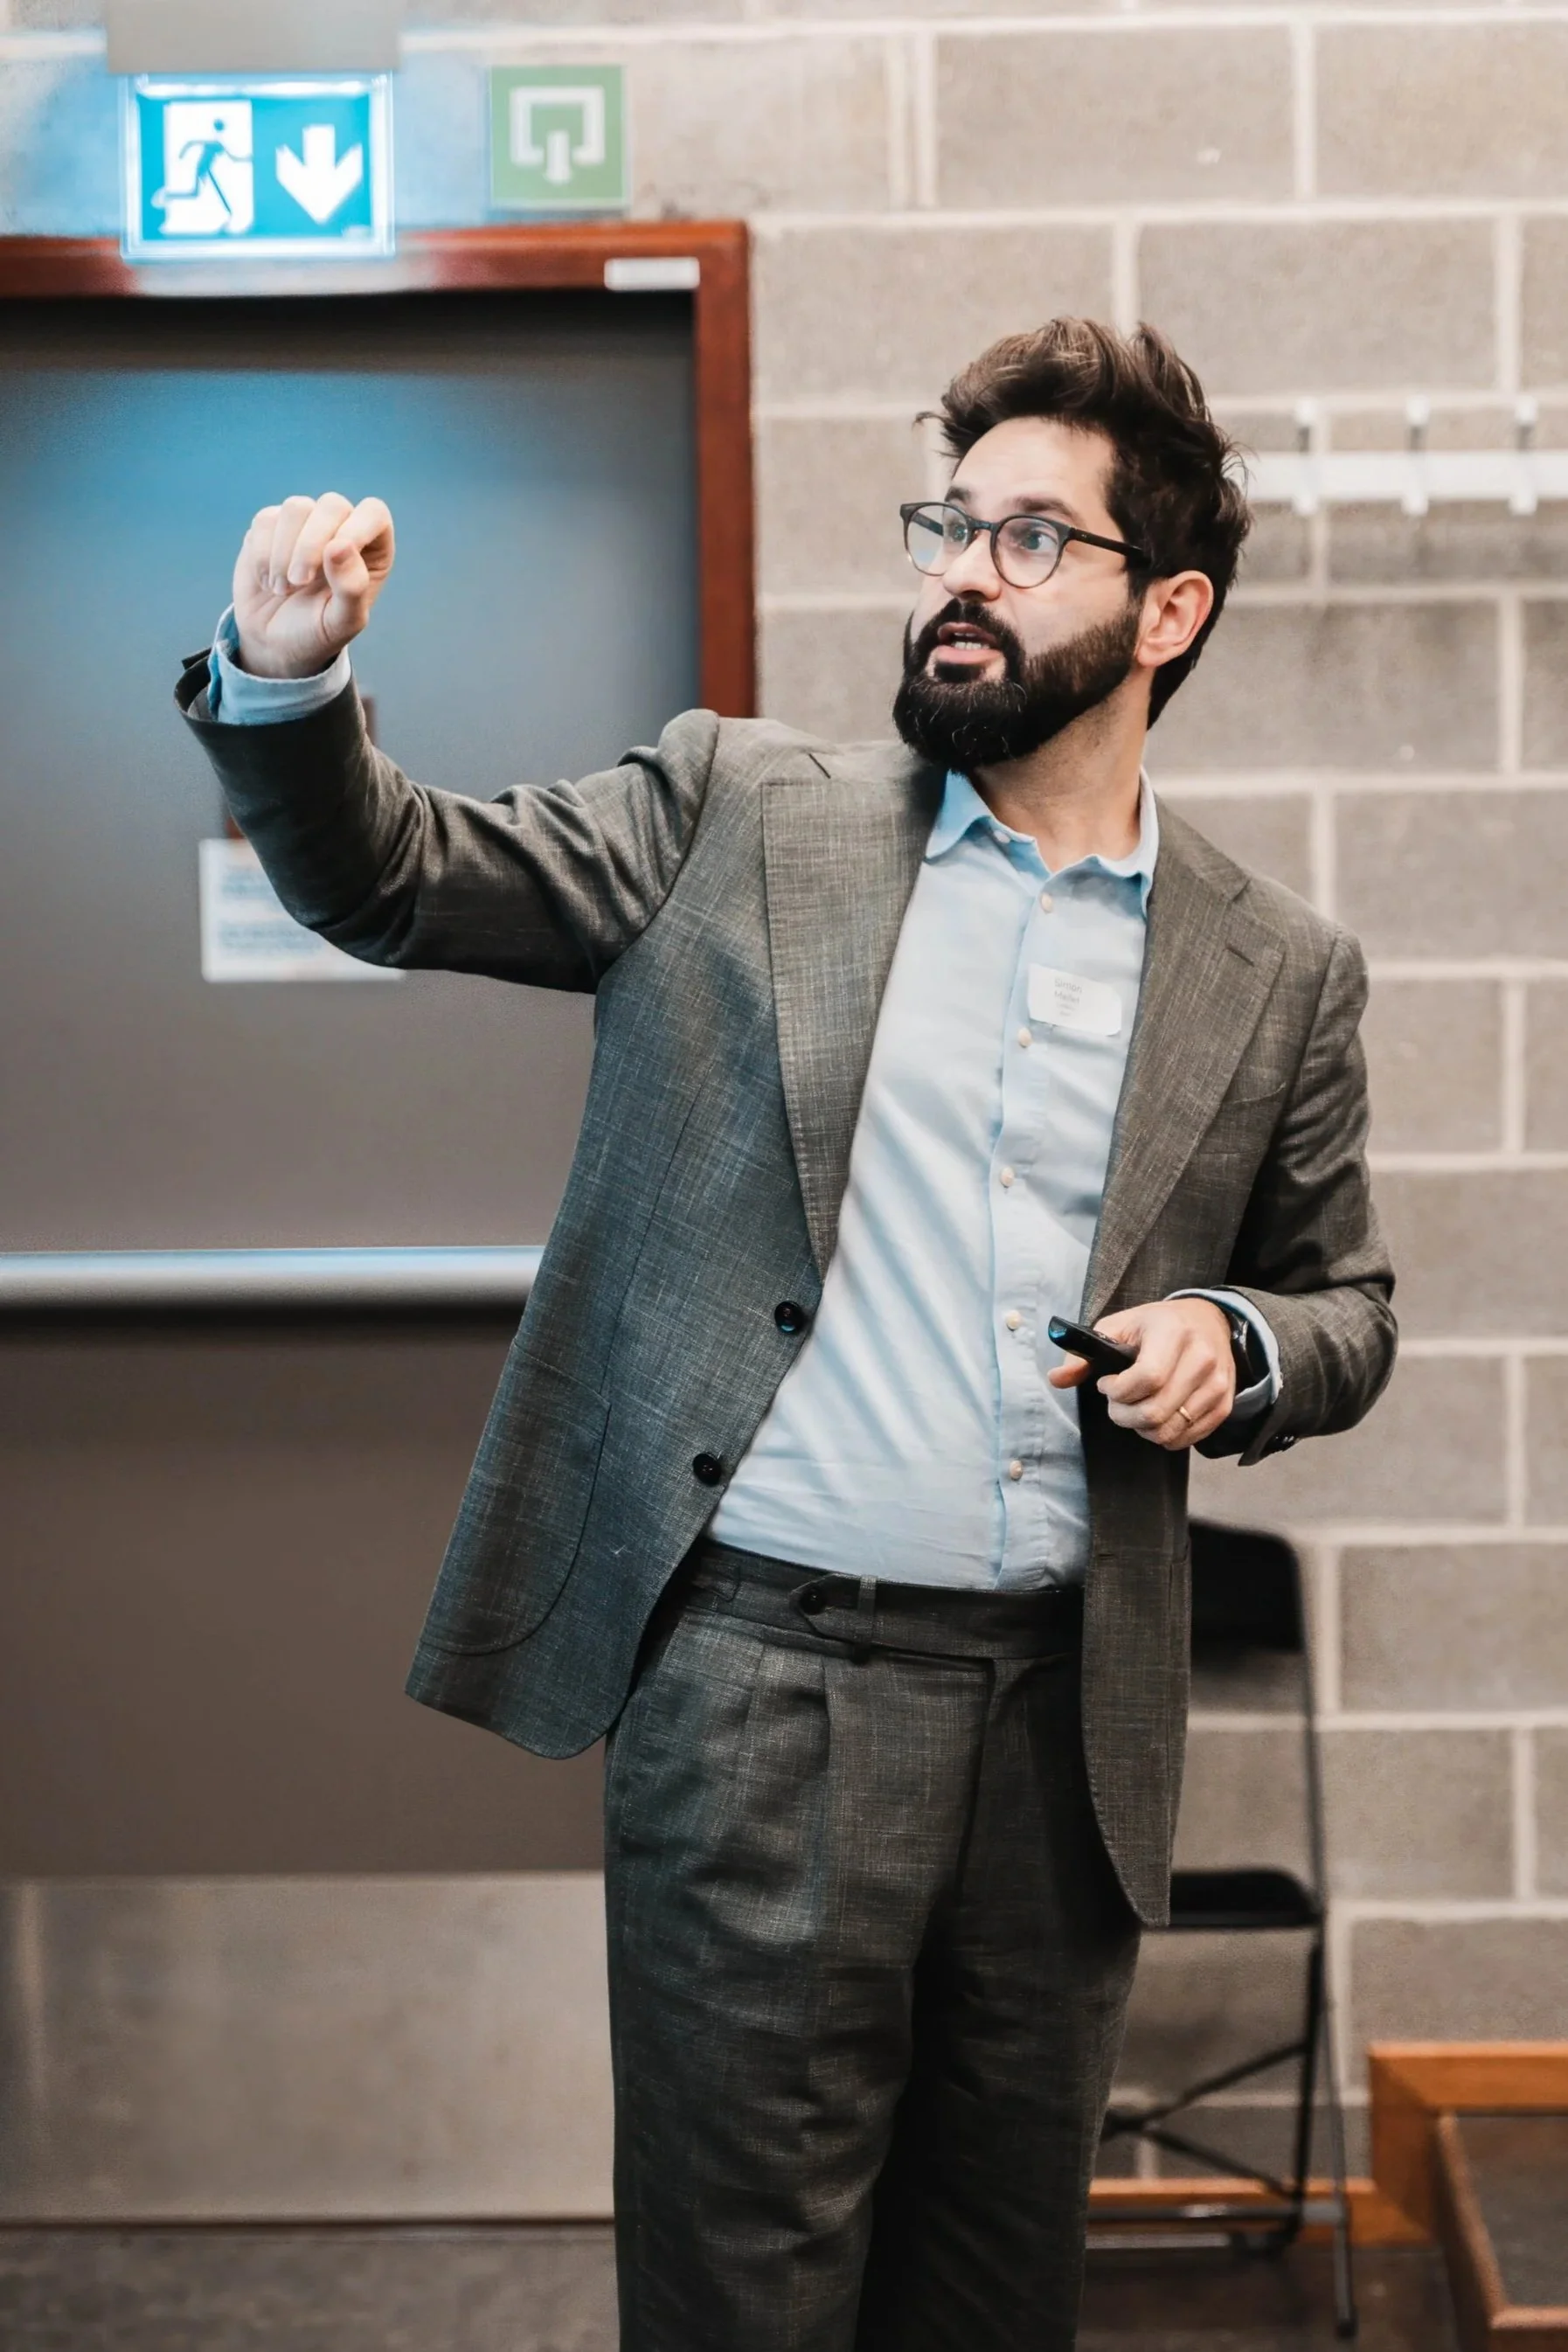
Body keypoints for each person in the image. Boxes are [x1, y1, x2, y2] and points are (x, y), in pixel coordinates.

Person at [176, 317, 1395, 2352]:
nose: (957, 575)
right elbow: (393, 880)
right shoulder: (738, 808)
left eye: (1028, 540)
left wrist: (1237, 1346)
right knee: (748, 2300)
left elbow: (1344, 1304)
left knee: (996, 2299)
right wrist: (290, 680)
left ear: (1168, 610)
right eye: (946, 525)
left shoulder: (1276, 966)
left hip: (1060, 1733)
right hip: (763, 1697)